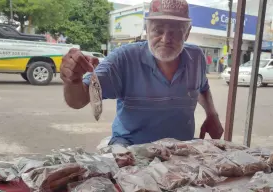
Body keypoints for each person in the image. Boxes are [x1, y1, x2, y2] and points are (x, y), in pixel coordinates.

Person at [60, 0, 224, 146]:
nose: (166, 39)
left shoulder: (196, 58)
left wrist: (212, 114)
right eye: (158, 30)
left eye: (175, 31)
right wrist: (73, 80)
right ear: (147, 29)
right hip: (130, 150)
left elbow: (202, 87)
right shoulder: (123, 58)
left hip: (179, 152)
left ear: (187, 33)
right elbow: (78, 100)